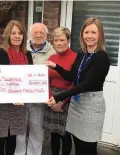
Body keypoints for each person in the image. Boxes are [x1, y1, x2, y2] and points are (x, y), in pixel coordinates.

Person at [46, 17, 110, 155]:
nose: (89, 36)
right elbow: (73, 76)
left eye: (93, 32)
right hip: (77, 104)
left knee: (88, 148)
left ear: (100, 34)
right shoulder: (82, 53)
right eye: (86, 32)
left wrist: (59, 97)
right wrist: (56, 66)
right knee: (78, 146)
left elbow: (86, 84)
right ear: (82, 34)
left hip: (91, 106)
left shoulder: (101, 57)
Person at [0, 20, 33, 155]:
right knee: (0, 137)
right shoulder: (1, 52)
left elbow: (30, 78)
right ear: (8, 35)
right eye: (13, 33)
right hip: (3, 103)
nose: (17, 36)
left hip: (19, 104)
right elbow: (2, 80)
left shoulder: (28, 54)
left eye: (20, 33)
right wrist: (13, 96)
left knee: (13, 137)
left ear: (24, 36)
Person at [15, 23, 56, 155]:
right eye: (35, 33)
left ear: (46, 35)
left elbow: (54, 76)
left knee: (37, 132)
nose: (38, 36)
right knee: (19, 131)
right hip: (21, 98)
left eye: (41, 33)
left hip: (39, 100)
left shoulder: (52, 52)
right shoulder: (21, 48)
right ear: (30, 34)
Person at [43, 27, 77, 155]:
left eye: (62, 40)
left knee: (65, 135)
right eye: (56, 40)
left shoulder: (75, 57)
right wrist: (51, 99)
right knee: (54, 134)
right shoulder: (52, 57)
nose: (58, 43)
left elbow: (75, 82)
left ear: (68, 40)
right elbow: (46, 80)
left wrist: (61, 102)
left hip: (67, 99)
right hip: (52, 98)